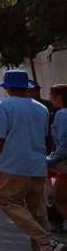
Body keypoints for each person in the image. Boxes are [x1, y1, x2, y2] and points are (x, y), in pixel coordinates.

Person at [0, 69, 66, 251]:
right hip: (37, 165)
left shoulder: (3, 106)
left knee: (6, 199)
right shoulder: (41, 108)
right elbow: (43, 137)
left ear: (7, 88)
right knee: (37, 210)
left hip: (12, 165)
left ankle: (47, 242)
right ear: (26, 87)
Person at [47, 85, 67, 227]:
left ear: (59, 97)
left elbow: (64, 143)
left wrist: (48, 160)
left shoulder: (62, 114)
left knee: (59, 197)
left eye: (51, 95)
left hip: (64, 164)